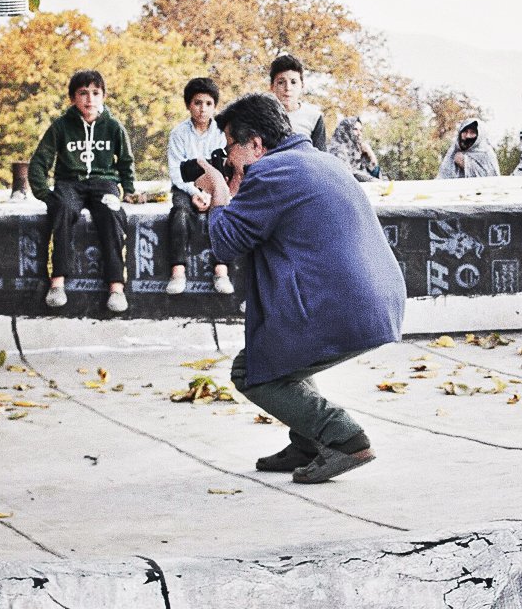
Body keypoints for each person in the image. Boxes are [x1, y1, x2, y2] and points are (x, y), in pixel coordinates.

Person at [195, 94, 405, 483]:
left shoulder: (270, 172)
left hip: (340, 309)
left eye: (230, 148)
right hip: (377, 301)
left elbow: (226, 244)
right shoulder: (322, 161)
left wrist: (220, 191)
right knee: (282, 357)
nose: (230, 158)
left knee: (251, 371)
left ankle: (343, 437)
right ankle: (309, 441)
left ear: (256, 143)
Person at [28, 69, 140, 313]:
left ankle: (116, 286)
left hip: (103, 182)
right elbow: (39, 161)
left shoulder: (113, 126)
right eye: (83, 93)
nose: (90, 99)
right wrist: (45, 194)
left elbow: (125, 161)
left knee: (112, 213)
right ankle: (57, 282)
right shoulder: (61, 127)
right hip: (70, 183)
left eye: (95, 93)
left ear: (103, 96)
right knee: (63, 210)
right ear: (72, 98)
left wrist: (128, 189)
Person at [164, 77, 234, 295]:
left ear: (215, 106)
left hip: (216, 187)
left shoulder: (222, 134)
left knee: (222, 215)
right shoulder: (178, 134)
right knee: (180, 213)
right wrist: (195, 192)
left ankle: (221, 270)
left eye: (208, 104)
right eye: (197, 103)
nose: (203, 109)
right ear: (188, 105)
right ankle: (178, 271)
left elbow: (226, 168)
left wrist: (212, 195)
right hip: (187, 187)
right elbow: (176, 171)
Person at [269, 54, 326, 151]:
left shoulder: (314, 117)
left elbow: (320, 157)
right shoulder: (263, 115)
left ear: (302, 85)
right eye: (281, 82)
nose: (287, 88)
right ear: (272, 87)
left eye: (293, 82)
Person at [436, 117, 500, 178]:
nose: (467, 136)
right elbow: (442, 177)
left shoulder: (486, 153)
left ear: (479, 135)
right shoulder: (453, 151)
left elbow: (492, 179)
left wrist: (466, 163)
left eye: (472, 132)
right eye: (465, 132)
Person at [328, 116, 384, 182]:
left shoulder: (359, 149)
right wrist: (372, 180)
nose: (359, 133)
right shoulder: (336, 149)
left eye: (361, 130)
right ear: (346, 129)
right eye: (355, 129)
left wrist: (371, 155)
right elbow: (348, 174)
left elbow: (375, 173)